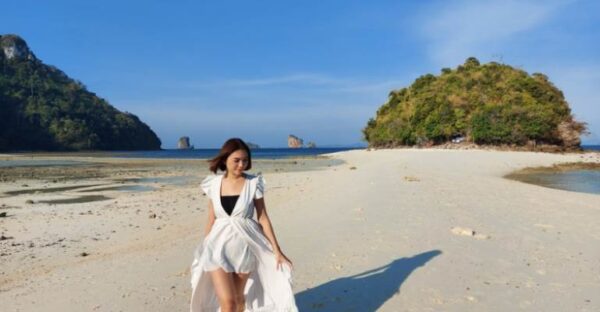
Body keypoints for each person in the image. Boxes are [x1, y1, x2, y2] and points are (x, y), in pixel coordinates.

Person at [190, 138, 298, 312]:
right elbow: (211, 217)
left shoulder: (253, 183)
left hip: (245, 247)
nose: (241, 165)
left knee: (239, 300)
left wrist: (277, 251)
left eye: (245, 160)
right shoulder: (213, 183)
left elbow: (263, 217)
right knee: (228, 303)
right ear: (225, 159)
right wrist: (205, 246)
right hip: (217, 248)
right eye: (236, 160)